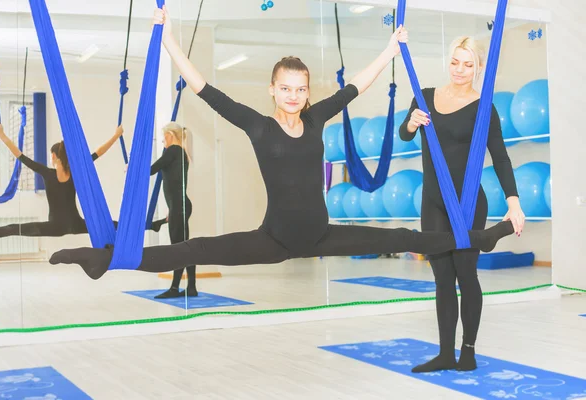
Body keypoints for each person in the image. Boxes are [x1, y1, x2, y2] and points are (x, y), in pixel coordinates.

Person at [49, 7, 516, 298]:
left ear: (307, 91)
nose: (294, 95)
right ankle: (107, 259)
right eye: (286, 88)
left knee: (403, 238)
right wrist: (166, 38)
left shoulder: (315, 119)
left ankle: (481, 238)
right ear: (273, 90)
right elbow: (205, 89)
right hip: (273, 238)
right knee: (193, 247)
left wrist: (391, 49)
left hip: (321, 236)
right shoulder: (258, 125)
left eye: (301, 88)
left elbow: (356, 86)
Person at [399, 36, 525, 372]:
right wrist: (411, 122)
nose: (460, 70)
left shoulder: (484, 108)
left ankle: (467, 350)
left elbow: (499, 156)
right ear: (448, 60)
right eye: (455, 61)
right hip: (434, 201)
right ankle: (444, 353)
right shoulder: (424, 97)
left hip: (468, 202)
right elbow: (405, 134)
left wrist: (514, 202)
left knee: (465, 274)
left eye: (468, 64)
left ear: (479, 67)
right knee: (442, 278)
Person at [0, 123, 166, 238]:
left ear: (55, 156)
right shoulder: (76, 172)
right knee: (118, 225)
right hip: (75, 224)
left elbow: (20, 156)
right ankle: (153, 225)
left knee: (13, 229)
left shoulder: (47, 173)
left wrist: (1, 135)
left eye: (51, 155)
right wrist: (116, 135)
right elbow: (99, 152)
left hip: (55, 227)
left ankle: (153, 225)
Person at [150, 122, 197, 298]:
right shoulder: (180, 153)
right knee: (185, 247)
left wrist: (131, 169)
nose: (164, 142)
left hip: (180, 205)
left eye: (164, 138)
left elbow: (151, 170)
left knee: (179, 248)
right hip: (179, 205)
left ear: (170, 135)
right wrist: (172, 208)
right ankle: (190, 287)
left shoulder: (173, 151)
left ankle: (175, 288)